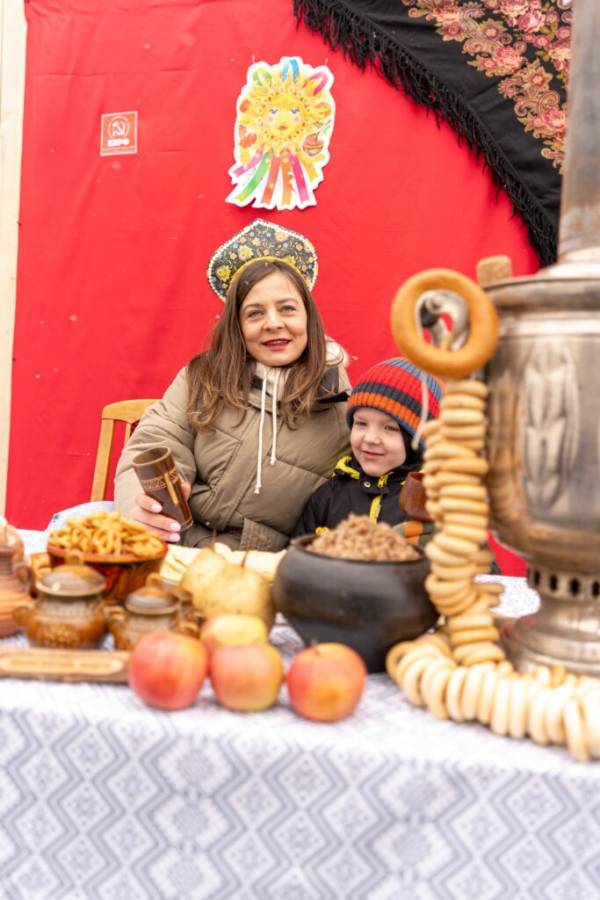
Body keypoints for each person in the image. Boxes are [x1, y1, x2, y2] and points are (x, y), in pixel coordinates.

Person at [114, 219, 350, 551]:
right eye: (254, 313)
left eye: (287, 309)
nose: (273, 323)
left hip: (267, 570)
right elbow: (154, 444)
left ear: (308, 317)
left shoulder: (342, 408)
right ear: (237, 326)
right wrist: (142, 505)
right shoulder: (203, 377)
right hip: (178, 550)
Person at [293, 357, 442, 541]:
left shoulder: (436, 500)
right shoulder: (329, 496)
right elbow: (296, 558)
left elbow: (477, 564)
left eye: (390, 428)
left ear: (417, 440)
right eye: (361, 423)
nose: (370, 438)